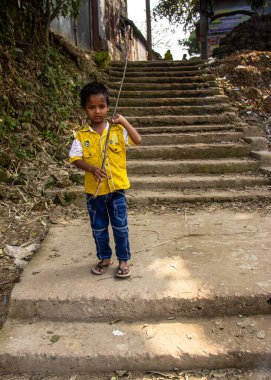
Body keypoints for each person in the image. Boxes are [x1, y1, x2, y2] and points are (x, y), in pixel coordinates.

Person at [69, 82, 142, 278]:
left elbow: (137, 140)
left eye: (101, 106)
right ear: (85, 109)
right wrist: (91, 168)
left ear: (108, 107)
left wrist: (124, 122)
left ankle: (123, 260)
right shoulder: (81, 136)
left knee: (120, 227)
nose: (97, 111)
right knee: (99, 228)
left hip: (116, 190)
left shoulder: (117, 131)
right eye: (91, 107)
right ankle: (104, 258)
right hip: (94, 193)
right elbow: (74, 158)